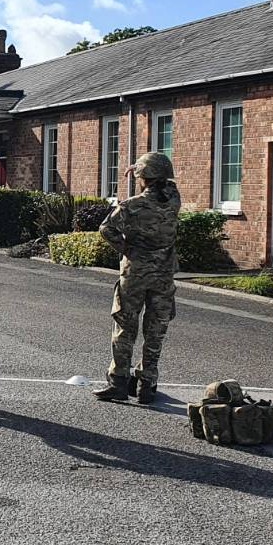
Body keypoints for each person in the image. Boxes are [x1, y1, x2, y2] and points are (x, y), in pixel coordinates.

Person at [93, 151, 181, 404]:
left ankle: (118, 382)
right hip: (163, 276)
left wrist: (126, 249)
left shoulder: (131, 206)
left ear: (143, 177)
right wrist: (144, 169)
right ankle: (147, 385)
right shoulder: (174, 201)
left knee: (125, 327)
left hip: (136, 274)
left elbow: (106, 229)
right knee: (156, 330)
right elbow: (168, 185)